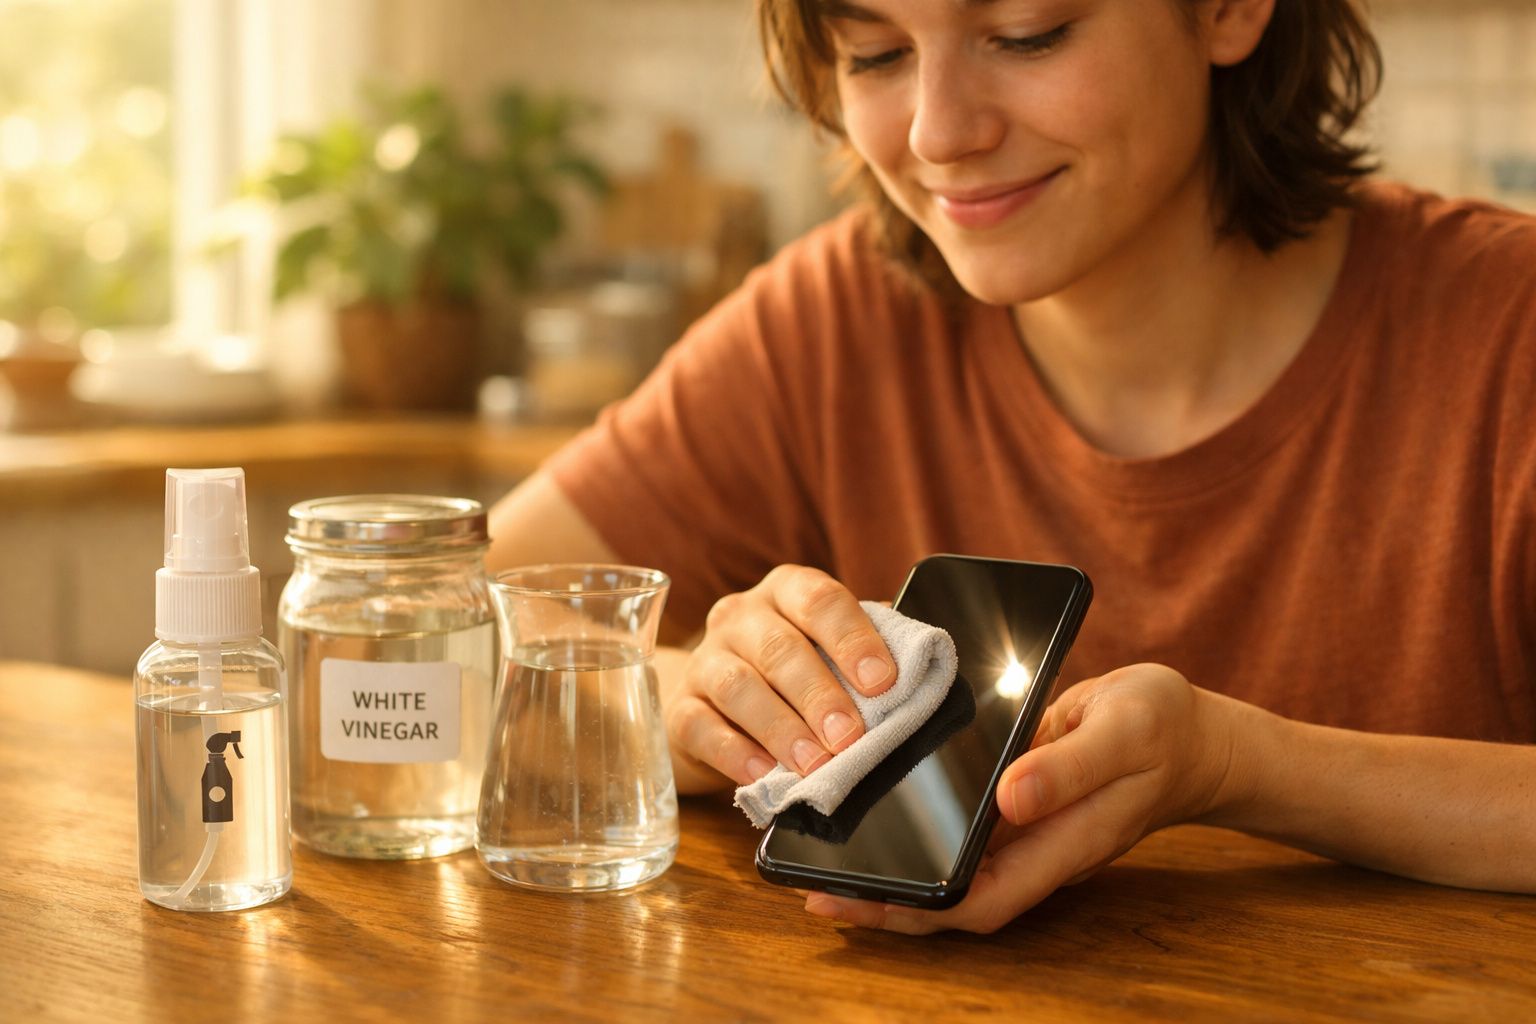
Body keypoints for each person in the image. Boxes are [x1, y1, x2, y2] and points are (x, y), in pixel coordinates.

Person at [487, 0, 1536, 934]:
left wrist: (1238, 765)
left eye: (1029, 34)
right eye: (875, 52)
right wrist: (682, 702)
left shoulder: (1506, 332)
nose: (939, 134)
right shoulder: (826, 327)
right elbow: (439, 633)